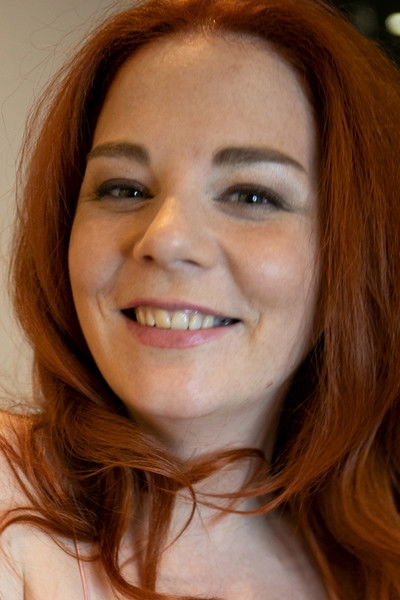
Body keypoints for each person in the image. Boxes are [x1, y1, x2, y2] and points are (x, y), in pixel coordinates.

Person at [0, 0, 399, 598]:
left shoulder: (372, 566)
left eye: (252, 196)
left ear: (355, 255)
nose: (166, 239)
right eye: (124, 188)